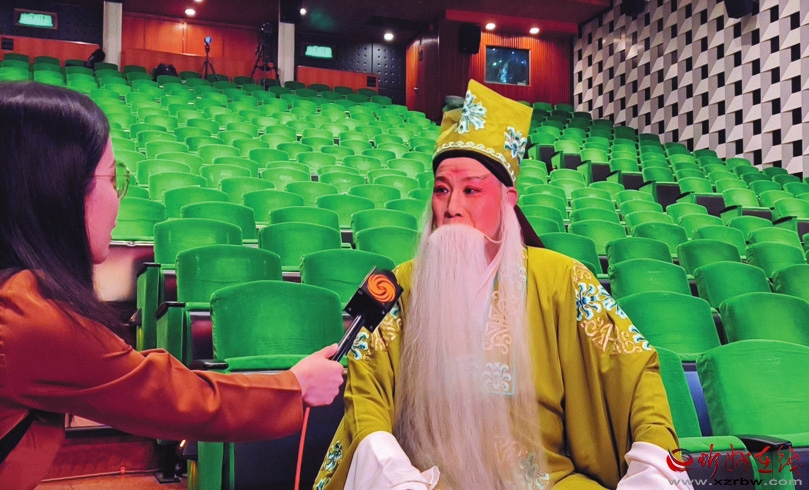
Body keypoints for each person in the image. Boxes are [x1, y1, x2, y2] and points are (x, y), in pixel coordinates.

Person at [314, 79, 692, 490]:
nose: (452, 207)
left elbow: (633, 369)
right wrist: (396, 476)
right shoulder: (398, 288)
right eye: (442, 190)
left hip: (547, 480)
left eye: (471, 190)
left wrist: (652, 463)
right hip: (430, 480)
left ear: (508, 200)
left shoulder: (562, 278)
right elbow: (366, 395)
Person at [0, 82, 345, 489]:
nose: (119, 196)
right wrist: (294, 387)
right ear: (57, 191)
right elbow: (170, 396)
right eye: (111, 178)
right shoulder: (28, 317)